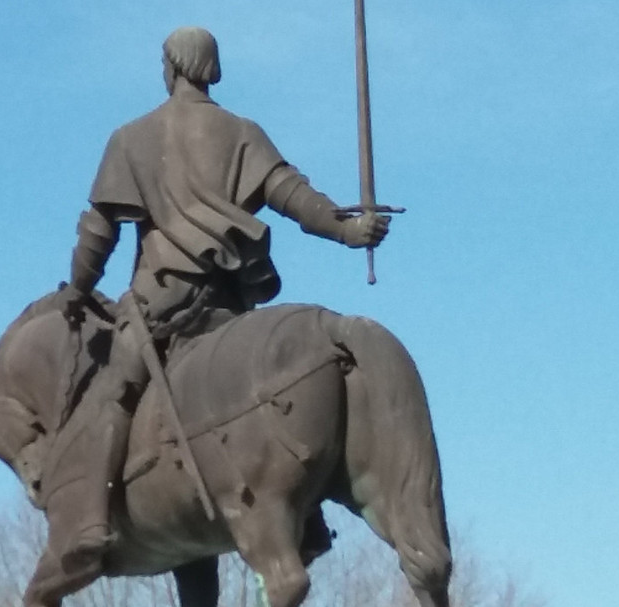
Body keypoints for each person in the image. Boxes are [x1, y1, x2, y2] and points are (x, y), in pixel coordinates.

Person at [52, 26, 390, 570]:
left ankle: (92, 515)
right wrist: (348, 231)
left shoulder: (132, 138)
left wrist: (78, 289)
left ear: (173, 67)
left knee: (115, 389)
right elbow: (295, 197)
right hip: (229, 313)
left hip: (160, 312)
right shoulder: (244, 134)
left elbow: (99, 233)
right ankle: (307, 517)